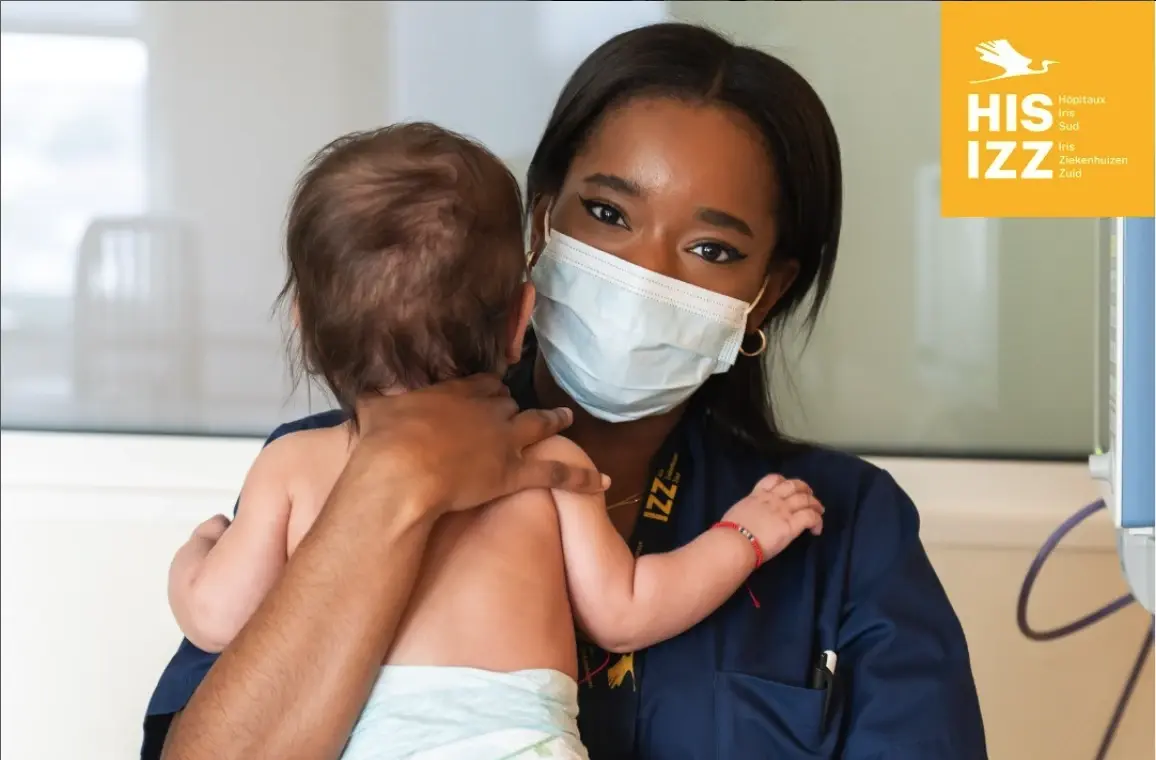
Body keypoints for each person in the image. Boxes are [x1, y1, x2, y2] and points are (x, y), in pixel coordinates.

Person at [144, 22, 988, 760]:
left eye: (713, 250)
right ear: (540, 228)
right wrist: (391, 488)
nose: (644, 273)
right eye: (610, 215)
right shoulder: (327, 469)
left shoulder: (840, 527)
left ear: (765, 293)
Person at [163, 121, 825, 760]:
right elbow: (626, 613)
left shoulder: (293, 464)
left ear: (306, 329)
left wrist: (198, 554)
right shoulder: (552, 462)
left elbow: (219, 620)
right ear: (519, 320)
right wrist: (744, 536)